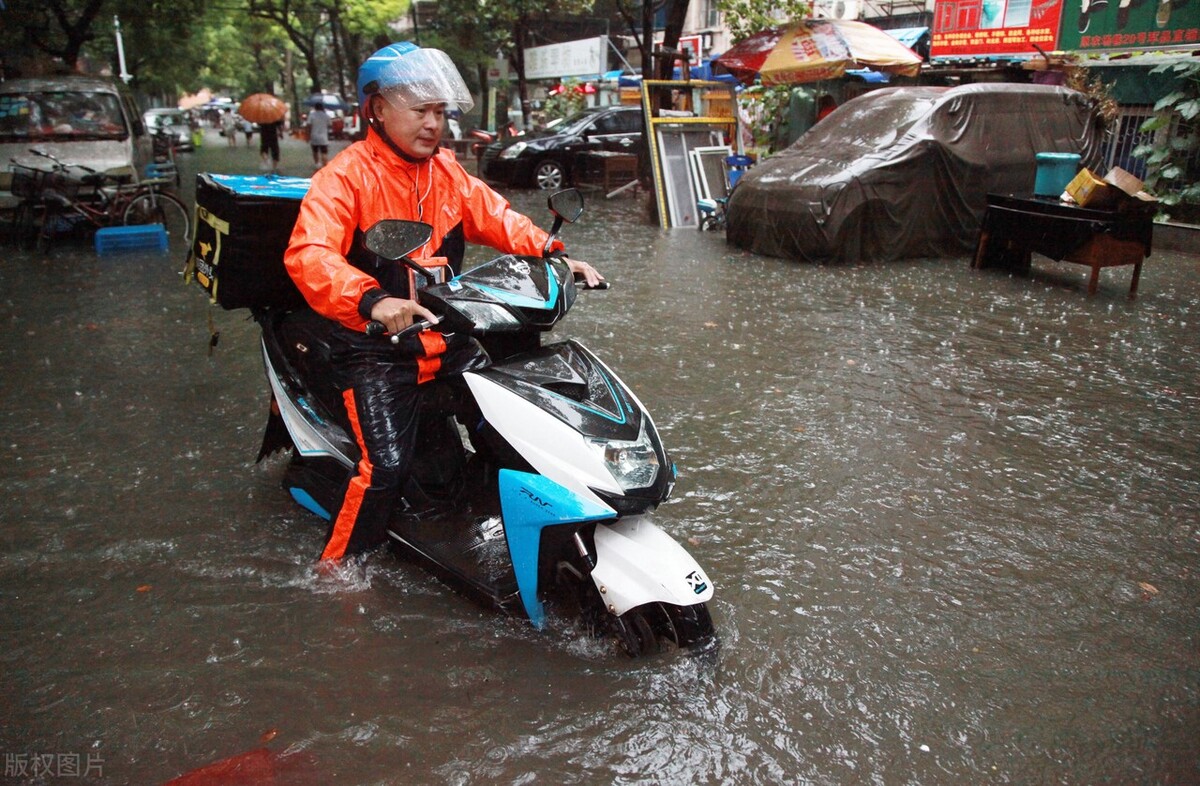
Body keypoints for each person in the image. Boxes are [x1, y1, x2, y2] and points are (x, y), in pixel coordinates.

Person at [284, 42, 602, 562]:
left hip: (446, 338)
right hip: (375, 351)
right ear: (378, 109)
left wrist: (555, 253)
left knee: (515, 426)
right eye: (420, 110)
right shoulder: (344, 176)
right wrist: (371, 300)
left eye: (439, 111)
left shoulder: (447, 172)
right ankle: (337, 570)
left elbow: (498, 217)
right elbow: (309, 253)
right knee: (383, 468)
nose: (433, 124)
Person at [307, 100, 332, 168]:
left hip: (314, 136)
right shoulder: (326, 116)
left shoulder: (312, 115)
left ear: (315, 108)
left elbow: (308, 126)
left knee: (315, 151)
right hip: (324, 137)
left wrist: (308, 136)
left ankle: (317, 164)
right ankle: (325, 165)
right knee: (324, 152)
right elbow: (330, 125)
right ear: (322, 108)